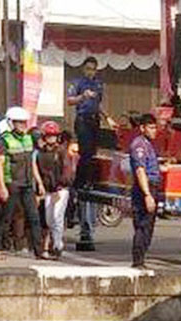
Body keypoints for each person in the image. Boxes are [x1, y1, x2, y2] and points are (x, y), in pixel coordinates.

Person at [66, 56, 116, 252]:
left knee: (92, 153)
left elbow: (99, 105)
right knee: (85, 152)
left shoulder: (98, 84)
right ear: (83, 68)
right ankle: (81, 182)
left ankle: (88, 179)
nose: (90, 72)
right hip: (82, 118)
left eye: (93, 69)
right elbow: (70, 100)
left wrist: (108, 118)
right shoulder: (78, 83)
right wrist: (82, 96)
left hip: (95, 119)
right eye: (87, 68)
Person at [0, 106, 48, 260]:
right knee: (6, 217)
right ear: (11, 123)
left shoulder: (28, 139)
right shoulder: (5, 140)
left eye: (24, 122)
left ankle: (39, 251)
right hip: (12, 184)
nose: (22, 125)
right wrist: (1, 186)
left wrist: (39, 183)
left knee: (34, 217)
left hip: (27, 184)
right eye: (18, 122)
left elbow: (32, 163)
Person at [129, 113, 164, 269]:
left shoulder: (148, 144)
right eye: (150, 127)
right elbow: (140, 170)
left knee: (148, 226)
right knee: (143, 225)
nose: (154, 130)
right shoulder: (139, 145)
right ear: (142, 128)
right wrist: (147, 194)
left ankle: (141, 259)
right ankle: (138, 261)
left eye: (155, 127)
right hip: (145, 187)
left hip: (152, 186)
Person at [35, 121, 71, 258]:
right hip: (48, 189)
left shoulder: (61, 151)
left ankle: (57, 245)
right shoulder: (40, 153)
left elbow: (67, 171)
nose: (51, 138)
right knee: (49, 220)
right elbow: (37, 170)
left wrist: (59, 186)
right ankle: (53, 244)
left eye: (54, 136)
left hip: (60, 189)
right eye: (49, 136)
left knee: (57, 217)